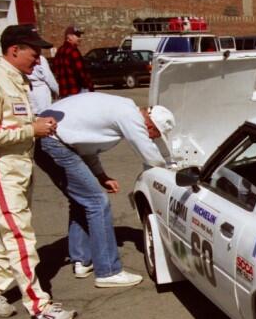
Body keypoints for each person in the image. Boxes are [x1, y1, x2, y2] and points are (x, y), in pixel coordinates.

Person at [0, 24, 77, 319]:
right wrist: (32, 129)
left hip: (21, 168)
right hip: (2, 169)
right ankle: (40, 309)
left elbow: (12, 120)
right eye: (34, 52)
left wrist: (35, 122)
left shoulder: (17, 80)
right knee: (20, 237)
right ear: (14, 49)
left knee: (11, 234)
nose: (39, 59)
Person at [34, 93, 175, 288]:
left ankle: (82, 260)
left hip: (48, 139)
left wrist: (101, 176)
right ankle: (108, 271)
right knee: (97, 202)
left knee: (81, 200)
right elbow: (148, 152)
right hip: (53, 140)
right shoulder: (130, 115)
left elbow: (87, 149)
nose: (152, 137)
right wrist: (169, 172)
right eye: (155, 134)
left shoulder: (120, 108)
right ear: (150, 125)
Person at [52, 25, 93, 98]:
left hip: (64, 92)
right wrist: (89, 86)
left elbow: (56, 71)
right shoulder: (73, 51)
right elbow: (81, 72)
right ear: (69, 37)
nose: (80, 38)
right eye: (77, 35)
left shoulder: (59, 51)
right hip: (77, 91)